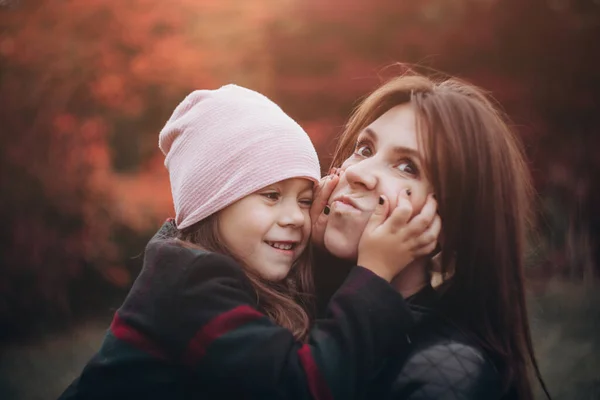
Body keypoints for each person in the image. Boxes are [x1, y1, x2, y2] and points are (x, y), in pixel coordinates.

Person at [58, 84, 441, 400]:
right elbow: (303, 387)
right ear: (214, 202)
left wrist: (320, 241)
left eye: (305, 200)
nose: (295, 217)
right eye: (271, 196)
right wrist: (374, 274)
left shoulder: (226, 269)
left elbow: (301, 324)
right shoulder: (192, 285)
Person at [310, 73, 551, 399]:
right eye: (364, 149)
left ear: (454, 219)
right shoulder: (294, 303)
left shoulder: (447, 372)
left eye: (407, 167)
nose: (356, 172)